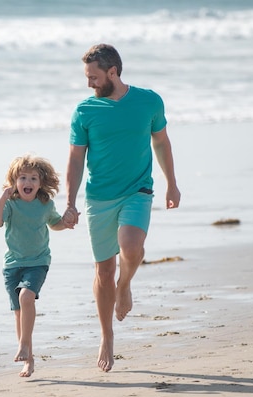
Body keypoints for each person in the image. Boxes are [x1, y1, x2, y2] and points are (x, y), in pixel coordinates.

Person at [63, 44, 181, 372]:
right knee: (103, 270)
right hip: (99, 197)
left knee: (131, 246)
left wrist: (171, 182)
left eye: (93, 77)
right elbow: (75, 159)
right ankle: (106, 336)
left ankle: (125, 284)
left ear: (112, 72)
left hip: (137, 191)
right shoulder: (84, 111)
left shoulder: (149, 101)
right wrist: (70, 202)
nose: (89, 83)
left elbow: (161, 141)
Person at [0, 154, 74, 377]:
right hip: (12, 265)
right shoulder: (11, 204)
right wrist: (2, 198)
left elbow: (54, 223)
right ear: (14, 181)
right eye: (23, 178)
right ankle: (29, 359)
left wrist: (66, 223)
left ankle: (24, 346)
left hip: (38, 262)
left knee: (26, 297)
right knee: (19, 313)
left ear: (41, 182)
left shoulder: (44, 204)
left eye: (34, 178)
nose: (28, 183)